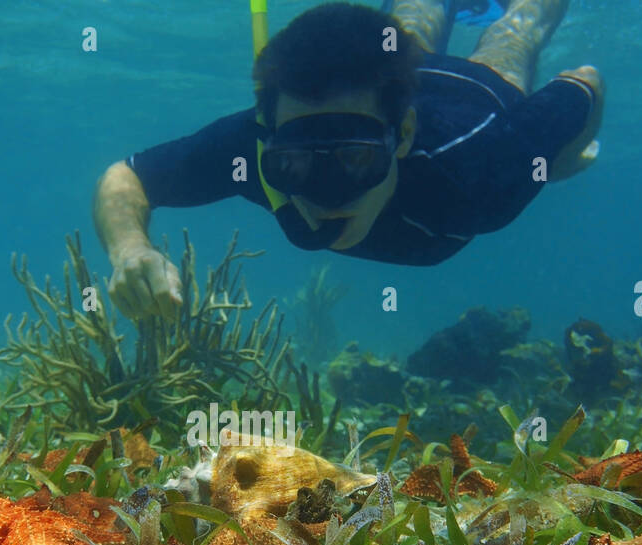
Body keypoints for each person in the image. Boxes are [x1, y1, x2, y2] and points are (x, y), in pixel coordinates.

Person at [94, 0, 603, 320]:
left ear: (401, 139)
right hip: (391, 84)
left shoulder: (482, 169)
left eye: (356, 161)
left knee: (518, 30)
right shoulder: (252, 149)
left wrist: (561, 159)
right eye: (294, 166)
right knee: (404, 24)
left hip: (478, 92)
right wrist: (129, 250)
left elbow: (585, 80)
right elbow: (128, 176)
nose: (325, 197)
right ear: (270, 139)